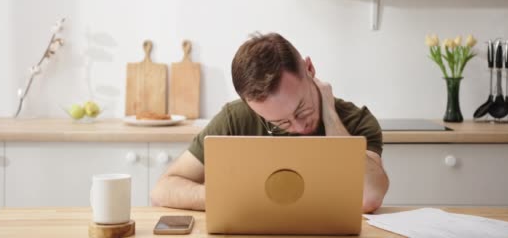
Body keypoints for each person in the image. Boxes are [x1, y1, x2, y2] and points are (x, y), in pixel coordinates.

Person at [150, 33, 389, 213]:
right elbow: (163, 190)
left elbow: (369, 196)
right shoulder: (236, 118)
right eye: (280, 121)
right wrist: (229, 197)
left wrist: (330, 114)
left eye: (301, 109)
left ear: (310, 69)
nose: (298, 127)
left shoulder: (355, 121)